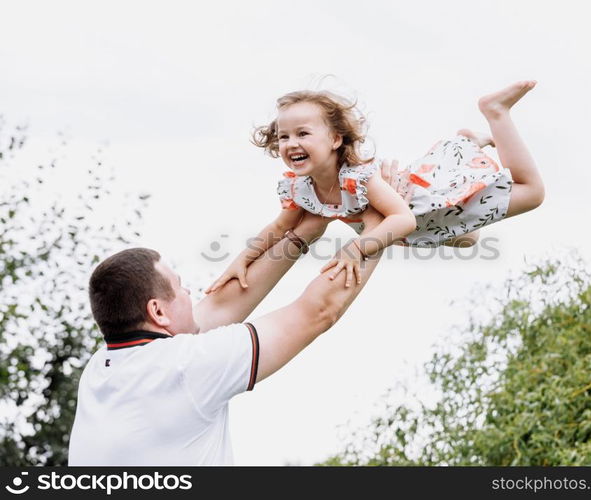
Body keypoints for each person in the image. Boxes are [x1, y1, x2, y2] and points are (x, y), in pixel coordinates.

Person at [68, 213, 383, 465]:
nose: (189, 293)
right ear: (158, 312)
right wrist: (378, 228)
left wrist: (308, 228)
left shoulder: (100, 369)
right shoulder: (186, 366)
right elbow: (317, 312)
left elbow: (222, 305)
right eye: (179, 288)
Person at [206, 81, 545, 292]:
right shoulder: (299, 188)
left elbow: (402, 220)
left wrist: (355, 250)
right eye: (284, 137)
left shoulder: (357, 177)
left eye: (303, 133)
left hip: (428, 203)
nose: (291, 143)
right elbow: (279, 227)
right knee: (469, 239)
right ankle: (466, 142)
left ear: (336, 138)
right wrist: (242, 260)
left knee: (531, 194)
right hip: (423, 231)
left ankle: (495, 113)